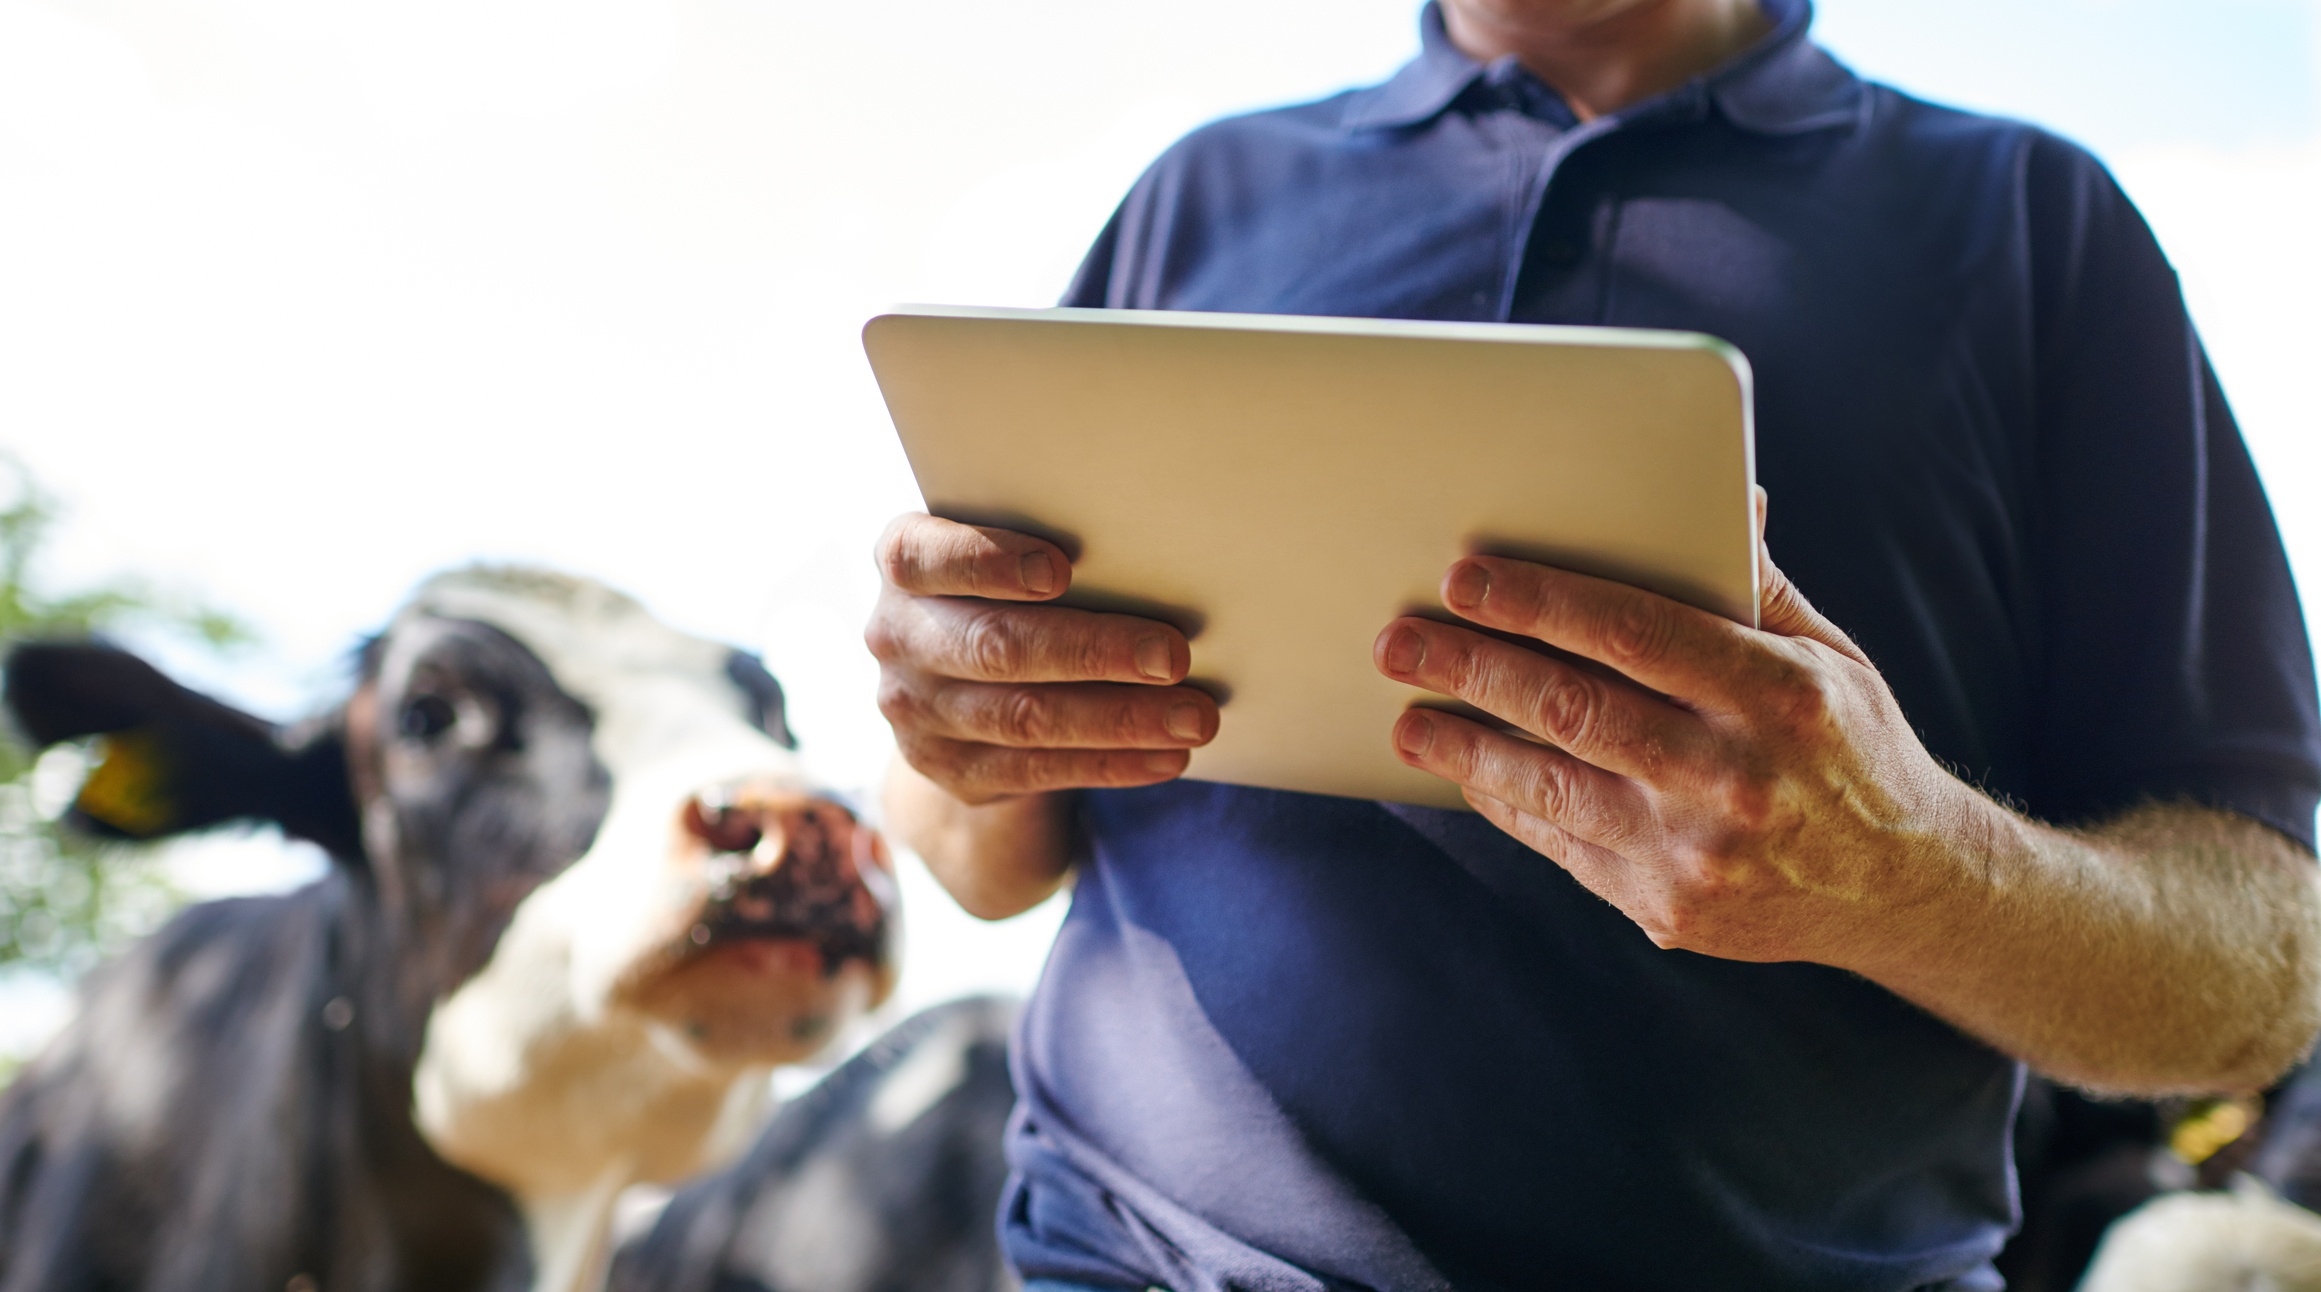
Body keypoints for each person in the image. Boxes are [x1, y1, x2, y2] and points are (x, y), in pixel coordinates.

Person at [863, 0, 2321, 1287]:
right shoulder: (1201, 192)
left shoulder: (2030, 221)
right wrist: (951, 739)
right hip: (1128, 1259)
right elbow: (978, 854)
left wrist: (1904, 875)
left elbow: (2266, 977)